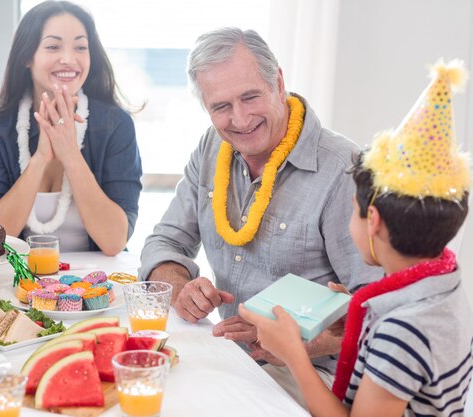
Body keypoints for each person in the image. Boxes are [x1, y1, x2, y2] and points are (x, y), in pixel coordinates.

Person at [139, 27, 381, 403]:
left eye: (250, 97)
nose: (239, 119)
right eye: (221, 107)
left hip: (314, 374)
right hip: (232, 358)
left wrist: (287, 342)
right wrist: (180, 288)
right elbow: (165, 241)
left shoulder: (342, 169)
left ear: (278, 82)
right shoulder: (211, 146)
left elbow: (375, 308)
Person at [239, 59, 472, 417]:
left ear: (373, 220)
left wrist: (294, 356)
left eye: (353, 210)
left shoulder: (400, 331)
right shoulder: (445, 288)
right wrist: (359, 314)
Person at [0, 1, 142, 255]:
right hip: (17, 283)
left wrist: (71, 155)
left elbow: (115, 241)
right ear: (27, 56)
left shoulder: (116, 125)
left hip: (98, 284)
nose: (69, 59)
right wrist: (40, 159)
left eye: (81, 47)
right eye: (53, 46)